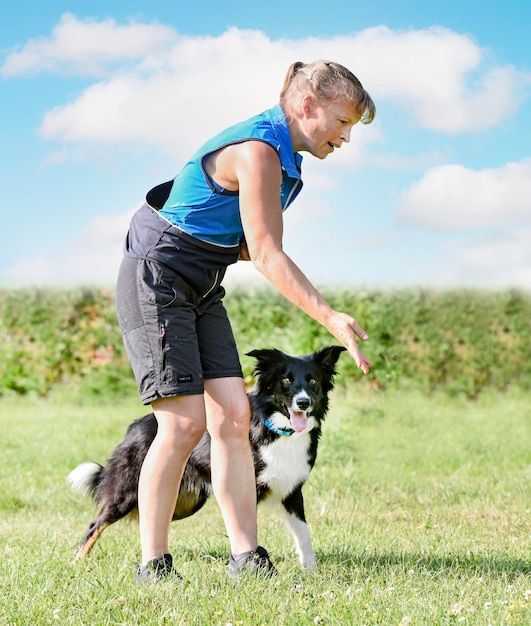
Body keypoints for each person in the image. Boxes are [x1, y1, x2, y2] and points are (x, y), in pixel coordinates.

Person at [115, 59, 376, 581]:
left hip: (202, 284)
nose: (347, 137)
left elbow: (237, 243)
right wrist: (329, 317)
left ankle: (246, 558)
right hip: (159, 274)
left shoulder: (285, 161)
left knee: (235, 416)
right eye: (343, 121)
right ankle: (154, 564)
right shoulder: (259, 151)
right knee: (185, 423)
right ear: (308, 106)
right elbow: (266, 253)